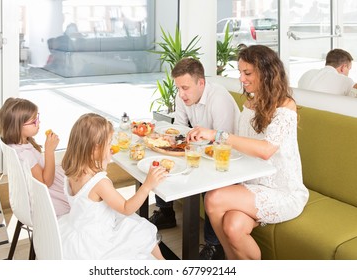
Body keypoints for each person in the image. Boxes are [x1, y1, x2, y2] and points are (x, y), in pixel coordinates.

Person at [187, 45, 309, 260]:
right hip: (252, 185)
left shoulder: (286, 106)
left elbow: (265, 150)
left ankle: (229, 261)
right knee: (233, 226)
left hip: (283, 191)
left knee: (213, 199)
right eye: (240, 72)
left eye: (248, 73)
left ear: (266, 72)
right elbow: (241, 146)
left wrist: (216, 134)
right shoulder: (250, 104)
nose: (242, 79)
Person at [149, 57, 240, 260]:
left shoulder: (219, 99)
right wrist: (165, 141)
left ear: (201, 83)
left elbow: (223, 141)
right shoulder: (183, 96)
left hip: (227, 157)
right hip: (200, 149)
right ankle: (166, 213)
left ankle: (214, 245)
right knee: (163, 160)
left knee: (210, 183)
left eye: (185, 88)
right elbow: (180, 128)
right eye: (178, 88)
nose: (181, 94)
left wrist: (190, 145)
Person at [59, 113, 167, 260]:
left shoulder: (71, 170)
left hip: (78, 231)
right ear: (95, 148)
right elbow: (126, 208)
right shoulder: (99, 182)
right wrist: (147, 185)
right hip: (98, 241)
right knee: (140, 228)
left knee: (135, 225)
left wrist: (102, 162)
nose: (111, 146)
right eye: (109, 143)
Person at [0, 97, 70, 217]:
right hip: (47, 199)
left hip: (40, 191)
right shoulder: (24, 155)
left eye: (38, 118)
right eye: (34, 121)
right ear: (17, 126)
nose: (39, 122)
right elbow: (46, 183)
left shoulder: (18, 144)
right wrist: (49, 151)